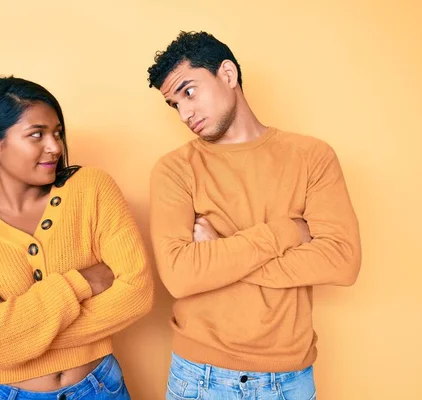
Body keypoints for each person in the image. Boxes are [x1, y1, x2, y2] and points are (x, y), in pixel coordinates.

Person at [147, 31, 361, 400]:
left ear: (227, 74)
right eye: (174, 104)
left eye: (188, 92)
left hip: (289, 378)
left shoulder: (311, 157)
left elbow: (342, 262)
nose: (184, 113)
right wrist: (288, 232)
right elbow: (181, 277)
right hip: (199, 379)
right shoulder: (175, 169)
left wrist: (222, 251)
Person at [0, 76, 153, 400]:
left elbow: (138, 294)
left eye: (57, 133)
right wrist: (81, 283)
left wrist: (14, 329)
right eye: (37, 135)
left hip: (100, 388)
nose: (55, 147)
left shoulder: (91, 189)